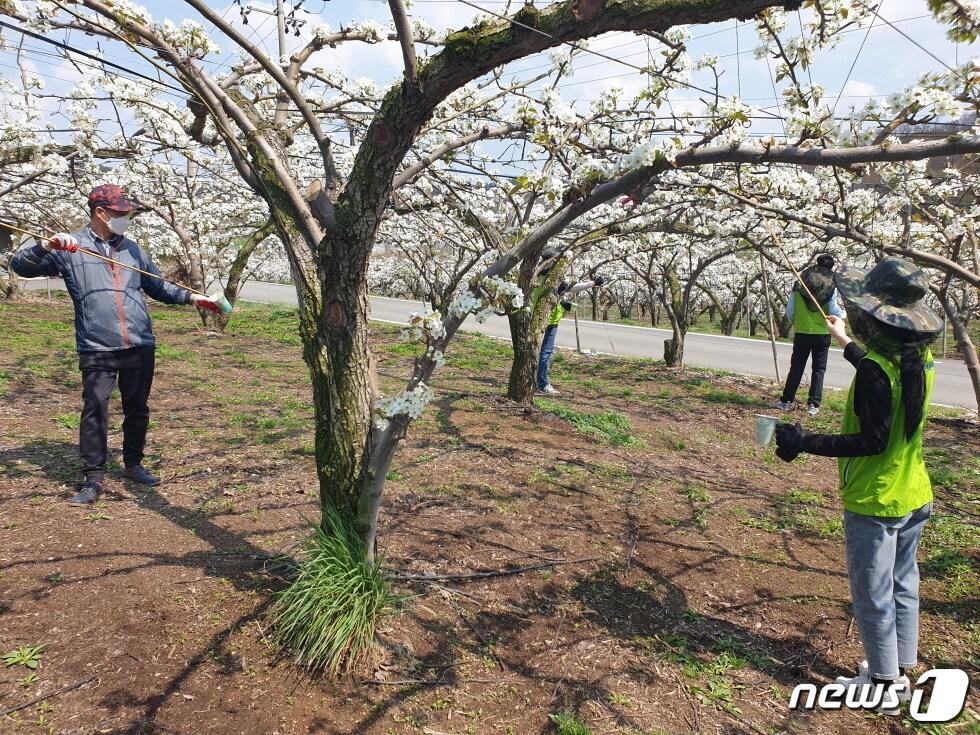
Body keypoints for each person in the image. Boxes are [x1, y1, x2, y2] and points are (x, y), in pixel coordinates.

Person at [774, 256, 943, 713]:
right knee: (903, 582)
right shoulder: (915, 358)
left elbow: (869, 440)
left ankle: (884, 684)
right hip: (913, 492)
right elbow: (876, 372)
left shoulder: (878, 370)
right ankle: (900, 667)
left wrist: (802, 442)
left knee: (872, 592)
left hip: (876, 499)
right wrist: (842, 339)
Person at [10, 184, 221, 505]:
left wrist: (195, 298)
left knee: (137, 408)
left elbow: (159, 288)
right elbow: (20, 266)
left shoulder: (133, 250)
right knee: (95, 408)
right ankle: (93, 477)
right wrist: (44, 246)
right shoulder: (71, 248)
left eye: (127, 213)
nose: (126, 217)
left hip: (139, 344)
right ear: (100, 213)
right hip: (96, 346)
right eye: (121, 213)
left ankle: (133, 463)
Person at [778, 254, 846, 416]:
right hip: (822, 333)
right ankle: (813, 404)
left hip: (802, 331)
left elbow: (790, 311)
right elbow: (835, 311)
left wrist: (798, 321)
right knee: (819, 369)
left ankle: (787, 401)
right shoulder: (831, 287)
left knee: (796, 367)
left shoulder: (800, 284)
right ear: (830, 268)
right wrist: (842, 316)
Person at [531, 250, 604, 395]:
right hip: (550, 320)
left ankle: (534, 380)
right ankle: (542, 384)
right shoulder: (552, 279)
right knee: (545, 352)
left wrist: (562, 302)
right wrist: (593, 283)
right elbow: (573, 288)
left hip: (536, 318)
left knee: (535, 351)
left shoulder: (535, 277)